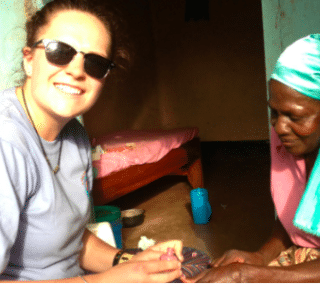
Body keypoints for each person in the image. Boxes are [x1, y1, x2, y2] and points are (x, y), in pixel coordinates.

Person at [0, 0, 186, 282]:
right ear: (28, 59)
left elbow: (69, 242)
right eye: (59, 51)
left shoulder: (74, 134)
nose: (76, 71)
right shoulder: (6, 142)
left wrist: (128, 260)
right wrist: (109, 280)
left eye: (95, 63)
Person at [190, 34, 320, 283]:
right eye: (274, 112)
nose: (279, 127)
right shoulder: (292, 137)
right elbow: (291, 216)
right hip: (318, 254)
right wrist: (259, 257)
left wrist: (246, 273)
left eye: (295, 116)